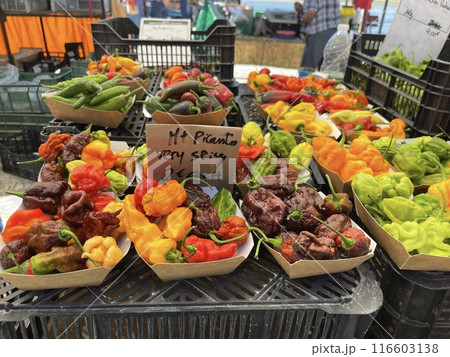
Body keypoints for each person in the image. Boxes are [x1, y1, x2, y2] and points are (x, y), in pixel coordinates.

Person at [300, 0, 341, 70]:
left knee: (307, 68)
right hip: (334, 33)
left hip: (318, 33)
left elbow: (311, 12)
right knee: (326, 70)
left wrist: (303, 20)